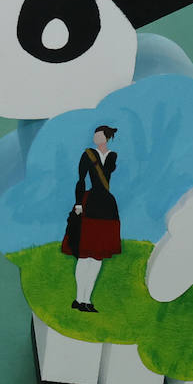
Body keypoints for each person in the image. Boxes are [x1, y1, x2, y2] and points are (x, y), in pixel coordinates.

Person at [61, 125, 121, 313]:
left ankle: (87, 300)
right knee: (84, 254)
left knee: (97, 256)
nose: (95, 137)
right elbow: (81, 180)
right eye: (95, 134)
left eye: (99, 134)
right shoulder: (87, 154)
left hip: (106, 206)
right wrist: (78, 203)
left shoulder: (112, 156)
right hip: (89, 205)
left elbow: (107, 174)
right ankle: (79, 298)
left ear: (106, 137)